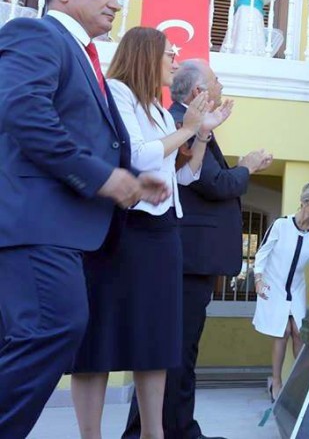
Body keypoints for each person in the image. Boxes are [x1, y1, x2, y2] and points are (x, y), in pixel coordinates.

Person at [0, 0, 169, 437]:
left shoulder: (86, 58)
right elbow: (24, 113)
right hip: (33, 221)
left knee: (27, 338)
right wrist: (101, 177)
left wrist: (132, 176)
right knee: (56, 327)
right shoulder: (37, 36)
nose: (116, 3)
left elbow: (88, 136)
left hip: (66, 228)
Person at [71, 27, 231, 439]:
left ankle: (153, 434)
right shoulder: (116, 93)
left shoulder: (158, 110)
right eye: (169, 55)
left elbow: (184, 175)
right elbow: (137, 154)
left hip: (162, 231)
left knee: (156, 338)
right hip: (120, 229)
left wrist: (201, 132)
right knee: (99, 341)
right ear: (146, 56)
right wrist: (187, 128)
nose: (174, 63)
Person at [122, 60, 273, 439]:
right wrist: (248, 167)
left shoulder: (186, 124)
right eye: (215, 79)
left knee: (173, 353)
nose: (221, 83)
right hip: (185, 259)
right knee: (176, 353)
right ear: (197, 94)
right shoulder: (178, 124)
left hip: (188, 260)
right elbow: (216, 183)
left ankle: (160, 429)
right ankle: (177, 431)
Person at [253, 182, 309, 402]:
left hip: (295, 288)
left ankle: (301, 384)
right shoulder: (280, 225)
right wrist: (258, 279)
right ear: (306, 202)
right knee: (282, 331)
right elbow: (262, 253)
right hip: (273, 284)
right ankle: (276, 383)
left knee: (299, 332)